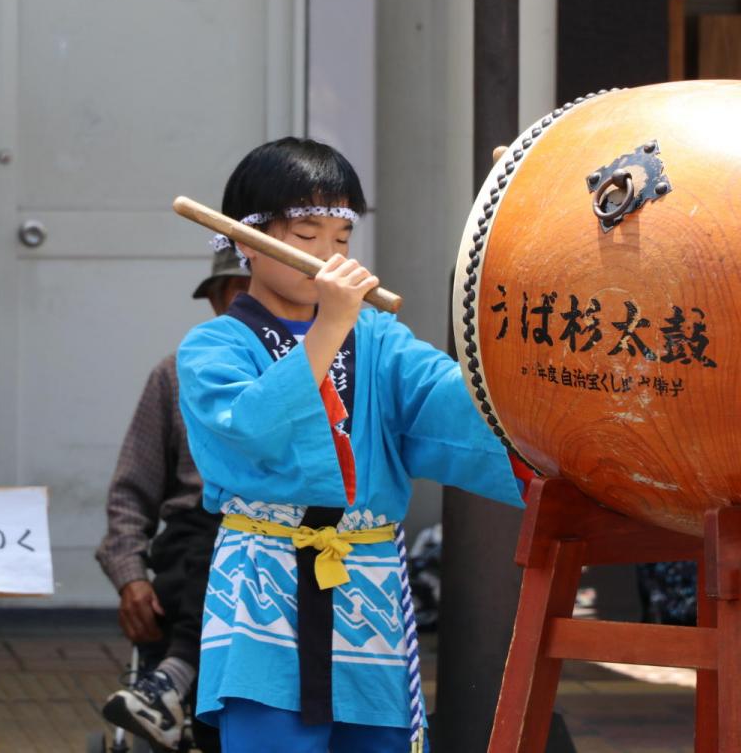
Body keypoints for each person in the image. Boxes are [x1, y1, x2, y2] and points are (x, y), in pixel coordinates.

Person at [175, 137, 528, 752]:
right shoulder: (212, 349)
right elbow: (249, 429)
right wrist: (332, 326)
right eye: (306, 236)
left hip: (367, 587)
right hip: (266, 582)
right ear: (245, 243)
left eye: (341, 237)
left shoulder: (381, 338)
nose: (330, 254)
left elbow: (453, 407)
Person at [96, 247, 249, 751]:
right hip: (192, 549)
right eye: (238, 294)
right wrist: (130, 577)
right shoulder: (175, 374)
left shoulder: (318, 372)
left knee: (239, 521)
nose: (252, 306)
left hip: (281, 544)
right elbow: (129, 495)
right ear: (216, 305)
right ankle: (176, 681)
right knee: (212, 525)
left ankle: (175, 678)